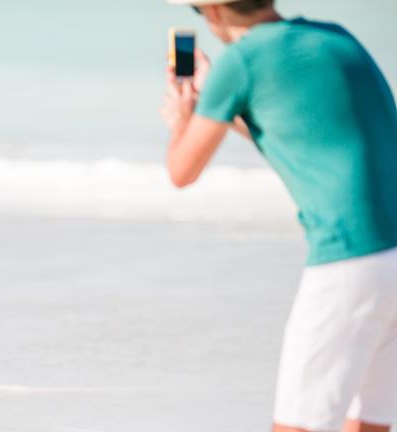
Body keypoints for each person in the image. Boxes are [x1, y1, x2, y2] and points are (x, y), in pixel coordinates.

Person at [159, 1, 397, 431]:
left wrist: (183, 120)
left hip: (349, 260)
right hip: (390, 254)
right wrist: (227, 108)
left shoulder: (240, 62)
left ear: (213, 11)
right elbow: (301, 132)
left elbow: (181, 171)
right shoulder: (337, 38)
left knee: (298, 426)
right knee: (368, 424)